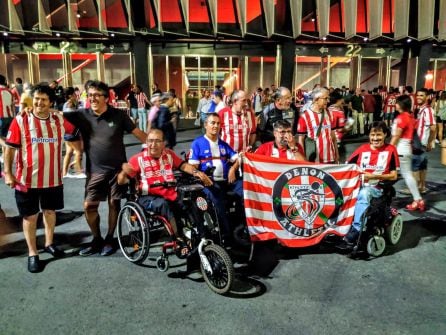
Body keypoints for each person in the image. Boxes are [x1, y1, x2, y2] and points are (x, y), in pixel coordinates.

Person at [63, 80, 147, 257]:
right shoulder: (81, 115)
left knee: (113, 204)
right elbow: (55, 117)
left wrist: (157, 146)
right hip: (95, 170)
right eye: (90, 95)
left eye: (96, 95)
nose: (92, 98)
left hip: (117, 170)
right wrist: (30, 110)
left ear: (106, 97)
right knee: (88, 206)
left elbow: (139, 134)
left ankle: (109, 238)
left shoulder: (119, 115)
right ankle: (96, 239)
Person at [3, 83, 76, 272]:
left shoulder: (59, 119)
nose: (39, 102)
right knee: (30, 217)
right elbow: (9, 148)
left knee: (50, 212)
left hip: (52, 179)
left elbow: (75, 131)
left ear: (51, 102)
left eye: (44, 99)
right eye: (36, 99)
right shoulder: (21, 120)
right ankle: (32, 253)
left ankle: (49, 243)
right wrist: (8, 173)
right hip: (26, 180)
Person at [117, 129, 212, 240]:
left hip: (170, 193)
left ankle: (202, 235)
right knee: (164, 204)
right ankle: (178, 238)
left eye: (157, 141)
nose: (153, 144)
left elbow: (183, 165)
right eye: (150, 141)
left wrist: (197, 173)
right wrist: (123, 173)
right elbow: (121, 181)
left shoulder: (169, 155)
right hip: (147, 198)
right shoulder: (137, 159)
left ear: (163, 143)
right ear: (147, 142)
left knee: (191, 200)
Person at [188, 113, 242, 243]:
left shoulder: (223, 144)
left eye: (218, 123)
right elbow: (192, 166)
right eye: (212, 123)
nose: (216, 126)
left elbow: (238, 158)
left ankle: (242, 228)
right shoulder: (198, 143)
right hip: (209, 182)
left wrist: (233, 169)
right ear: (206, 125)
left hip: (227, 180)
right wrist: (200, 174)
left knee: (246, 192)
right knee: (218, 201)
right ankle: (226, 236)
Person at [343, 121, 399, 245]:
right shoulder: (362, 149)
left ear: (385, 134)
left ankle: (357, 229)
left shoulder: (390, 150)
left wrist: (374, 176)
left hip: (377, 187)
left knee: (364, 193)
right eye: (372, 135)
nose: (375, 138)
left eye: (378, 135)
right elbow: (346, 167)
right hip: (357, 184)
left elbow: (394, 175)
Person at [390, 94, 425, 211]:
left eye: (396, 102)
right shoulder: (410, 117)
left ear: (400, 104)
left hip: (400, 149)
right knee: (407, 175)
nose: (395, 104)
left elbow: (397, 136)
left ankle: (417, 199)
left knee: (393, 174)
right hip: (407, 149)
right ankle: (418, 199)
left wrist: (389, 149)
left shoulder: (401, 118)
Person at [297, 87, 339, 163]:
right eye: (325, 98)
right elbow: (301, 140)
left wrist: (337, 154)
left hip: (330, 158)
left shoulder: (330, 114)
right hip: (314, 160)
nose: (328, 101)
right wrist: (303, 159)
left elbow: (333, 137)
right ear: (316, 99)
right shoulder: (305, 116)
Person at [412, 88, 436, 197]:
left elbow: (433, 127)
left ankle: (415, 188)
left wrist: (430, 142)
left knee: (414, 165)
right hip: (419, 141)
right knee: (422, 165)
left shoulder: (427, 110)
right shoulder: (420, 109)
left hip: (420, 142)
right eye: (418, 95)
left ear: (427, 97)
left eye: (422, 95)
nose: (419, 97)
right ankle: (422, 187)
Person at [62, 87, 85, 178]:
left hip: (67, 131)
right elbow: (74, 117)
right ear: (70, 95)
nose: (76, 95)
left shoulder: (66, 104)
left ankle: (64, 172)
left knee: (69, 152)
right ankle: (79, 172)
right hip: (72, 131)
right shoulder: (70, 104)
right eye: (75, 94)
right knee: (79, 151)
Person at [0, 74, 15, 163]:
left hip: (1, 116)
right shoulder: (9, 91)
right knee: (5, 137)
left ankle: (7, 147)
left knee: (3, 139)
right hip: (10, 117)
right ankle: (4, 156)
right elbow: (12, 105)